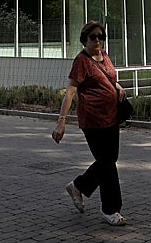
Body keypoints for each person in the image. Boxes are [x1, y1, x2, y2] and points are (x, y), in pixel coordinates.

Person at [51, 20, 128, 226]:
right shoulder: (81, 61)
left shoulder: (105, 56)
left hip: (111, 117)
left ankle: (78, 186)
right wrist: (61, 121)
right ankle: (110, 210)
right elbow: (70, 91)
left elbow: (107, 78)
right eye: (93, 37)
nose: (98, 41)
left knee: (109, 160)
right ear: (84, 39)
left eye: (101, 37)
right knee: (107, 163)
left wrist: (117, 86)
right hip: (93, 120)